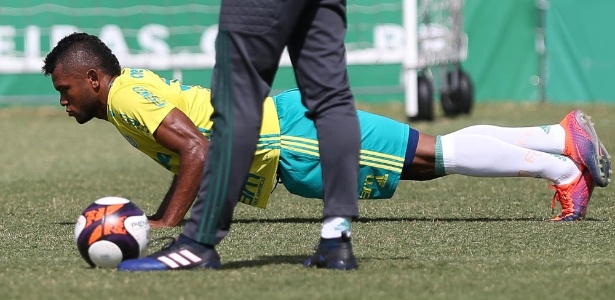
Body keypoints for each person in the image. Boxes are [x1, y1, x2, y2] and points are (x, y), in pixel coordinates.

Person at [43, 33, 611, 271]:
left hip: (291, 140)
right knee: (426, 159)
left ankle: (561, 165)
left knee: (430, 157)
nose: (65, 105)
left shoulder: (123, 100)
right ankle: (557, 139)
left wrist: (169, 220)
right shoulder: (127, 88)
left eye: (65, 91)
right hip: (287, 142)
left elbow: (197, 148)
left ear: (93, 78)